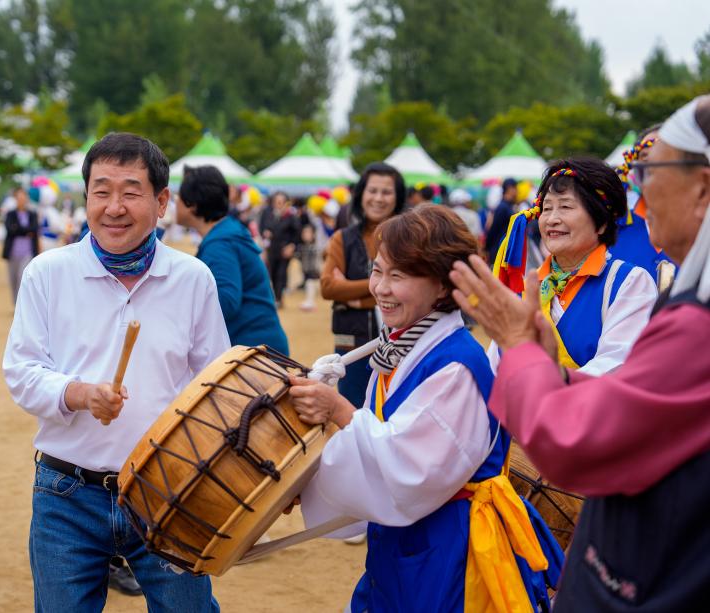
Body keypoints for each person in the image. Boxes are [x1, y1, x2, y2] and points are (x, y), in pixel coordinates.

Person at [449, 94, 710, 612]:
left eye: (650, 172)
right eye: (546, 206)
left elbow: (588, 428)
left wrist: (524, 354)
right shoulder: (540, 283)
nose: (642, 193)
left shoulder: (656, 297)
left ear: (701, 188)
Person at [289, 207, 561, 612]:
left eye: (398, 276)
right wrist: (303, 480)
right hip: (407, 538)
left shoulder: (456, 365)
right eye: (378, 271)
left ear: (440, 286)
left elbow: (408, 466)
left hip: (451, 545)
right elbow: (375, 448)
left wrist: (340, 411)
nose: (380, 288)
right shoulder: (401, 349)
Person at [3, 133, 229, 612]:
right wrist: (79, 394)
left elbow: (215, 384)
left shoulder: (192, 279)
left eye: (130, 191)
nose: (114, 207)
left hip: (167, 489)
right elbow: (21, 371)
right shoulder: (47, 273)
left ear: (161, 201)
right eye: (101, 191)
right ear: (85, 198)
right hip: (66, 493)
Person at [490, 158, 657, 375]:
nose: (551, 219)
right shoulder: (527, 288)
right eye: (547, 208)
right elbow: (494, 366)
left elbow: (617, 365)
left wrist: (541, 384)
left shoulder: (628, 282)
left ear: (602, 222)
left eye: (566, 207)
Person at [176, 165, 289, 353]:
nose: (175, 202)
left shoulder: (220, 243)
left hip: (253, 354)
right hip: (260, 349)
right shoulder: (227, 232)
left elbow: (226, 302)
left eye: (178, 196)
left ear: (192, 204)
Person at [321, 162, 405, 409]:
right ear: (361, 195)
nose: (378, 198)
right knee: (352, 416)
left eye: (386, 192)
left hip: (400, 343)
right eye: (372, 191)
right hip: (352, 345)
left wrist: (351, 291)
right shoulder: (342, 238)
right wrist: (387, 288)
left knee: (394, 414)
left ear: (398, 197)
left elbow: (416, 290)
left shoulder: (410, 240)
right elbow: (327, 287)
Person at [612, 127, 674, 281]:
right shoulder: (609, 231)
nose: (653, 165)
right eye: (645, 157)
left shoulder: (702, 228)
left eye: (664, 154)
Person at [260, 191, 301, 307]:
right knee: (271, 273)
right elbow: (262, 227)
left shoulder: (291, 216)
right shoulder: (268, 214)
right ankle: (275, 297)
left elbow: (297, 233)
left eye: (281, 202)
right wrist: (265, 234)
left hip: (284, 249)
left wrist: (292, 245)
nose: (279, 204)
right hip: (271, 249)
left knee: (281, 274)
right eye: (277, 201)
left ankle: (279, 298)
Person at [2, 186, 40, 304]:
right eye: (19, 197)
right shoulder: (10, 214)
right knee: (13, 280)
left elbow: (34, 229)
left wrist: (19, 229)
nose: (22, 200)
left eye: (24, 197)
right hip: (13, 252)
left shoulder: (32, 214)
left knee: (22, 279)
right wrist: (26, 231)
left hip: (28, 252)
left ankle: (22, 305)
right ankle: (15, 304)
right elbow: (10, 229)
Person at [485, 177, 517, 262]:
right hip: (498, 250)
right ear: (510, 188)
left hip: (504, 250)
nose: (517, 191)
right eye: (515, 188)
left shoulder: (508, 206)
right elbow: (494, 229)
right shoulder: (503, 207)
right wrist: (487, 247)